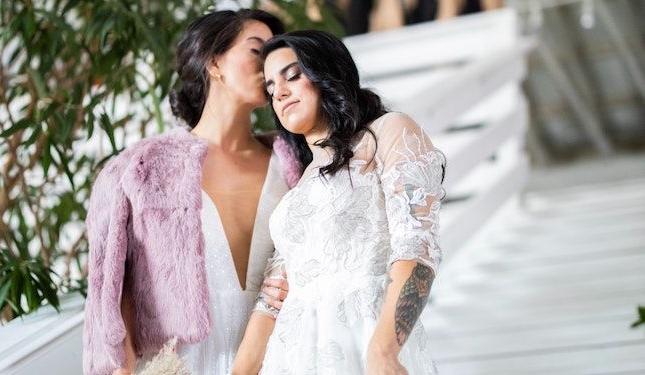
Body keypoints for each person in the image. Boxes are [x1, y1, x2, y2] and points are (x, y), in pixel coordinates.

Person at [83, 9, 302, 375]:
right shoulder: (139, 170)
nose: (270, 66)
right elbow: (110, 293)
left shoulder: (295, 163)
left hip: (282, 358)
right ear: (214, 61)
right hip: (182, 364)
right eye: (256, 50)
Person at [233, 30, 446, 374]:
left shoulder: (389, 133)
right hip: (292, 359)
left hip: (364, 342)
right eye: (271, 89)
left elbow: (417, 248)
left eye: (292, 76)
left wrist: (384, 351)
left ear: (326, 73)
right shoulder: (297, 189)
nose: (281, 93)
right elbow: (271, 302)